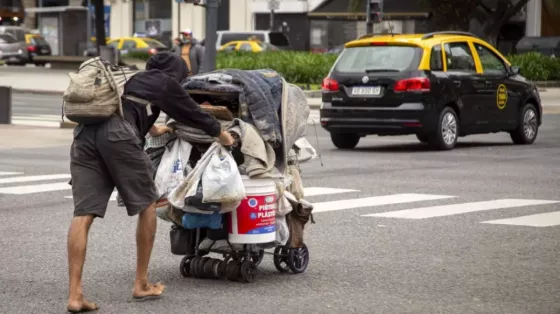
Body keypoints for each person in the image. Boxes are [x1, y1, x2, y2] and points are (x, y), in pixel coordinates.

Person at [66, 51, 234, 313]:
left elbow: (128, 108)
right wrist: (221, 135)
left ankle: (75, 296)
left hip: (85, 136)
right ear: (175, 71)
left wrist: (155, 129)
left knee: (83, 213)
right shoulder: (165, 82)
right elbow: (193, 113)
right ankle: (141, 283)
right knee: (147, 204)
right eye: (184, 73)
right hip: (118, 136)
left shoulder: (131, 78)